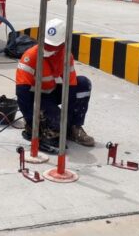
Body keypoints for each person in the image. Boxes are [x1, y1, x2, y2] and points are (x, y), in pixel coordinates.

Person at [16, 18, 95, 148]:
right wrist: (30, 120)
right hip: (36, 98)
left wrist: (67, 120)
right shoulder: (30, 56)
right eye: (47, 43)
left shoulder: (65, 56)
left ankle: (73, 128)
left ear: (64, 43)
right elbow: (22, 93)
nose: (49, 47)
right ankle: (55, 124)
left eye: (53, 45)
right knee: (57, 125)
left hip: (51, 93)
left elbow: (72, 86)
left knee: (83, 84)